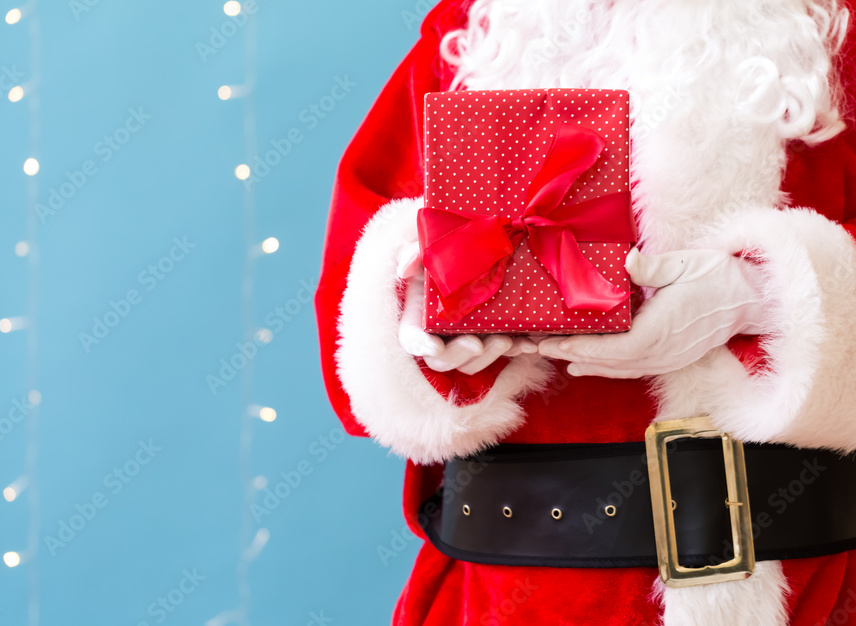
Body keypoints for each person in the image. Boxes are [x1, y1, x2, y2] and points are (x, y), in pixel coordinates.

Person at [315, 0, 856, 623]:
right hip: (504, 596)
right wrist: (425, 316)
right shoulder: (468, 32)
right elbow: (353, 316)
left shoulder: (832, 25)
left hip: (804, 587)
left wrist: (759, 296)